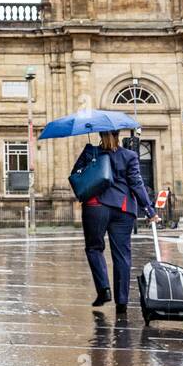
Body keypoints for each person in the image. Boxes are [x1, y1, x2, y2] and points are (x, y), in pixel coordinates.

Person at [73, 130, 155, 314]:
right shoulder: (130, 155)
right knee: (122, 255)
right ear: (119, 135)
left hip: (96, 206)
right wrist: (149, 210)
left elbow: (76, 175)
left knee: (94, 248)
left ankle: (104, 289)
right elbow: (136, 182)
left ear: (100, 135)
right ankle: (122, 301)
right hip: (123, 208)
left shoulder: (90, 152)